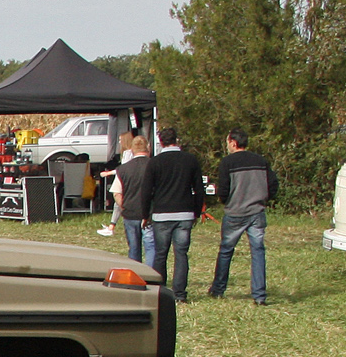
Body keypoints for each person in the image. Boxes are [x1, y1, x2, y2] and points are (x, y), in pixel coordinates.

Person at [210, 129, 277, 304]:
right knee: (258, 252)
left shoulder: (227, 162)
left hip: (235, 212)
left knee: (226, 250)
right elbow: (273, 185)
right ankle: (259, 295)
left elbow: (224, 189)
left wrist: (225, 201)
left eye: (227, 142)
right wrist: (264, 199)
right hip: (257, 211)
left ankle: (218, 289)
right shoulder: (261, 161)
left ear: (233, 142)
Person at [143, 127, 205, 299]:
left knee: (160, 253)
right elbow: (199, 189)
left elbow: (147, 190)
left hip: (161, 213)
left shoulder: (155, 162)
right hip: (184, 212)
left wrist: (144, 214)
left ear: (161, 142)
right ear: (176, 140)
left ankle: (160, 292)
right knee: (181, 254)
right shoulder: (190, 160)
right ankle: (179, 293)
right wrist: (197, 212)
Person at [115, 135, 152, 263]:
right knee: (151, 248)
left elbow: (117, 193)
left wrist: (124, 206)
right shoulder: (154, 166)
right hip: (150, 214)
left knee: (134, 249)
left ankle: (135, 276)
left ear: (131, 150)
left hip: (130, 214)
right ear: (148, 148)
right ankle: (151, 275)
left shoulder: (123, 169)